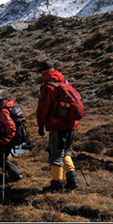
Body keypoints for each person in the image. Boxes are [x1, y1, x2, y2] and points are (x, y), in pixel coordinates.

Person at [36, 60, 78, 192]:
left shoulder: (48, 87)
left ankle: (56, 185)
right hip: (71, 125)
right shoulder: (65, 82)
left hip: (57, 127)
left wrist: (41, 125)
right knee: (65, 152)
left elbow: (43, 109)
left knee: (56, 155)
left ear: (43, 71)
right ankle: (72, 179)